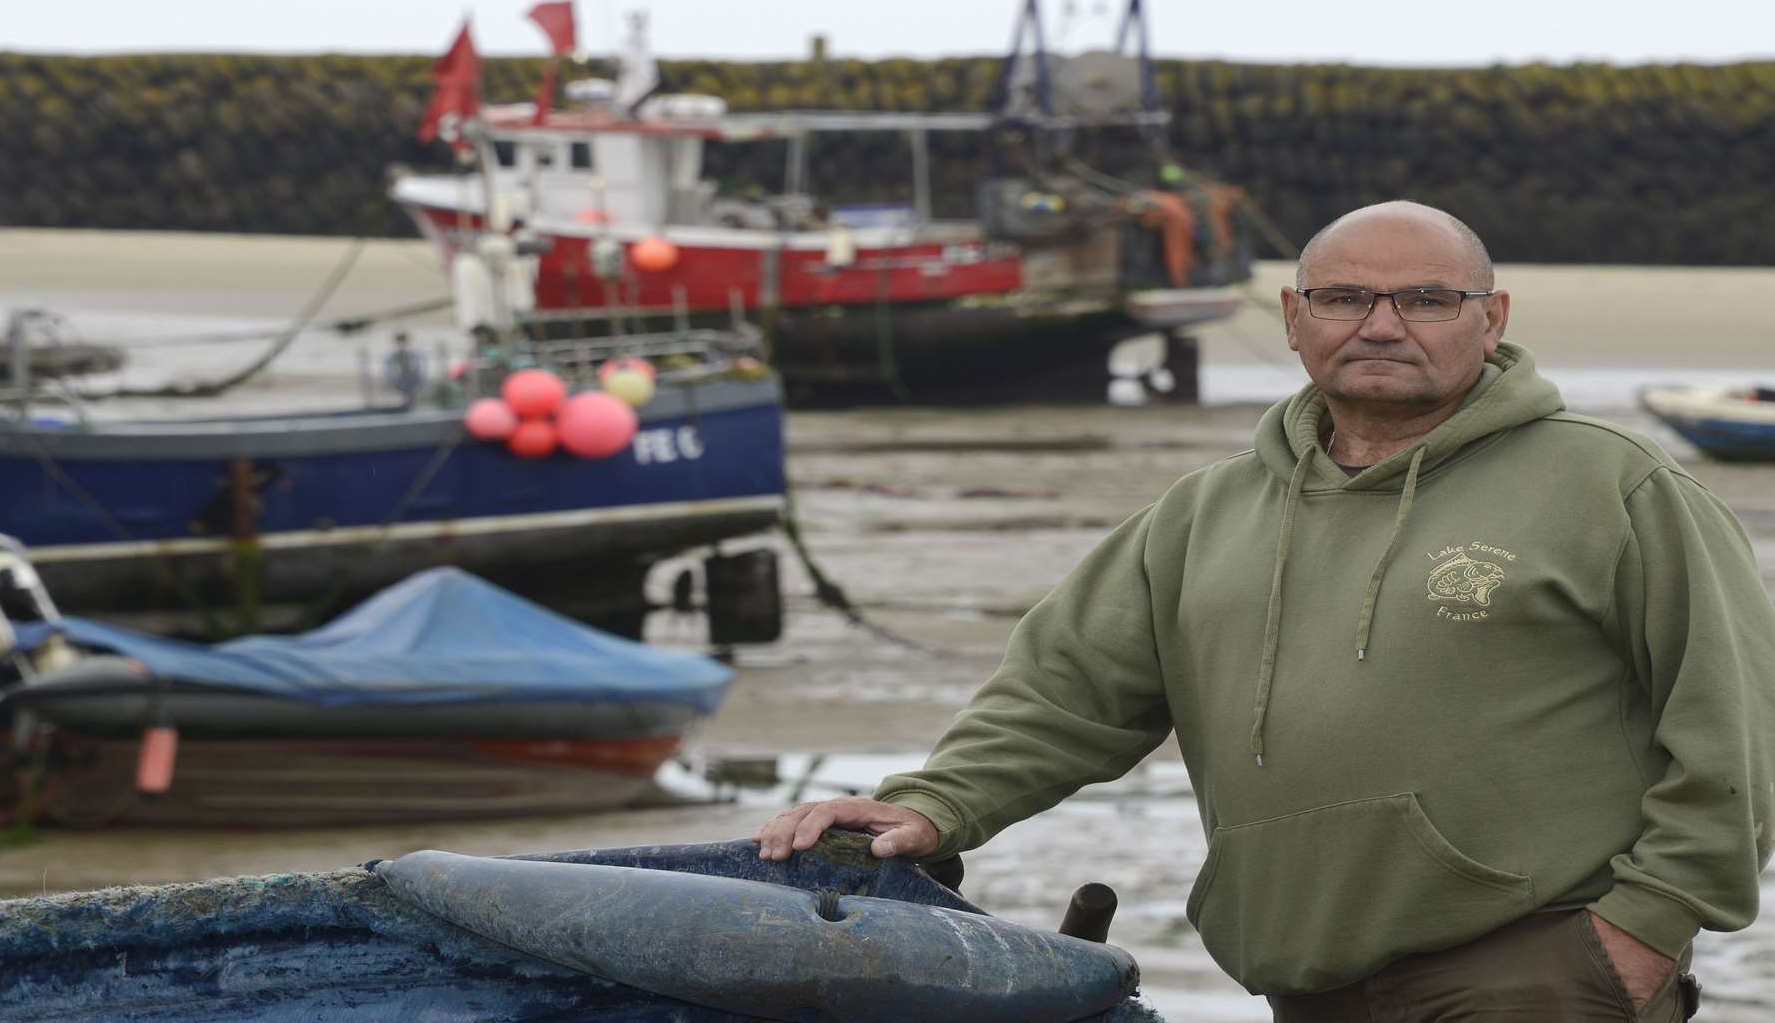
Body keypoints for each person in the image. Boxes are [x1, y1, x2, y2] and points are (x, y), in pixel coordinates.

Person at [752, 201, 1775, 1021]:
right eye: (1344, 297)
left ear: (1491, 318)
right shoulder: (1205, 514)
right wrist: (935, 803)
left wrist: (1645, 929)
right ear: (1293, 320)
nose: (1381, 323)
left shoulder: (1611, 487)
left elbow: (1733, 722)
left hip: (1535, 974)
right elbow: (1065, 695)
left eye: (1424, 297)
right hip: (1305, 986)